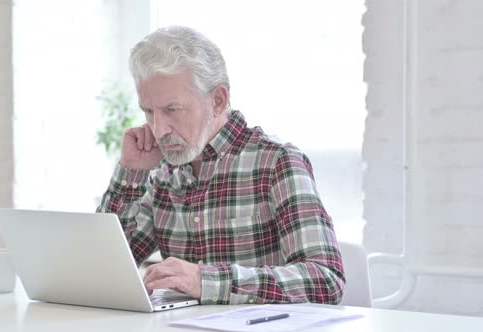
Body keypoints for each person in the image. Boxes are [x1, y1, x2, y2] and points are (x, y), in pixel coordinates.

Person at [98, 26, 345, 305]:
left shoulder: (277, 161)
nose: (158, 129)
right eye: (148, 111)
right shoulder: (161, 173)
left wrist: (205, 281)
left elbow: (326, 280)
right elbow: (103, 268)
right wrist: (131, 173)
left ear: (218, 101)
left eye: (172, 110)